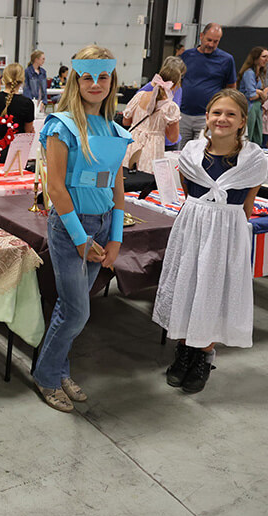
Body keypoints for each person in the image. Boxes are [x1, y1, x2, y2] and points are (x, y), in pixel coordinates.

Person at [32, 45, 132, 412]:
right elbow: (55, 186)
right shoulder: (61, 126)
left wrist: (117, 236)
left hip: (103, 224)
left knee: (72, 307)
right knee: (76, 311)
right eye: (87, 76)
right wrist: (79, 238)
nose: (95, 83)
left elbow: (117, 186)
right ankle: (45, 375)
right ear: (76, 79)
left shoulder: (113, 129)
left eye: (102, 76)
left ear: (111, 81)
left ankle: (57, 369)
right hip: (71, 226)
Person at [153, 89, 267, 393]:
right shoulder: (190, 153)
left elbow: (246, 205)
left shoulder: (254, 159)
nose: (222, 119)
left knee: (213, 290)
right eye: (217, 112)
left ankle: (204, 354)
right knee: (187, 286)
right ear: (206, 116)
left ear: (243, 120)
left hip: (227, 233)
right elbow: (189, 190)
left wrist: (232, 237)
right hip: (192, 227)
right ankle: (184, 349)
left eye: (231, 114)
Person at [121, 62, 182, 195]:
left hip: (131, 144)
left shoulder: (140, 96)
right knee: (145, 185)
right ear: (176, 85)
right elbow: (173, 138)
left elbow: (126, 121)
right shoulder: (170, 107)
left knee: (126, 182)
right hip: (153, 147)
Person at [178, 23, 236, 149]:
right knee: (180, 153)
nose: (211, 44)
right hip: (183, 115)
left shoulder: (226, 60)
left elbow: (231, 88)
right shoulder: (187, 56)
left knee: (202, 152)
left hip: (207, 117)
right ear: (201, 36)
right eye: (209, 40)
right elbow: (178, 82)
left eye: (215, 42)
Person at [0, 63, 35, 163]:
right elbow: (28, 131)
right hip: (16, 151)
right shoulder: (27, 103)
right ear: (22, 80)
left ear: (4, 79)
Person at [237, 46, 268, 144]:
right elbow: (252, 95)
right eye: (264, 57)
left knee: (257, 136)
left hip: (258, 107)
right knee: (248, 135)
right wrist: (260, 92)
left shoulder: (261, 75)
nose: (266, 60)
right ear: (256, 58)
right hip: (249, 107)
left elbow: (264, 96)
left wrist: (259, 92)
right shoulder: (249, 73)